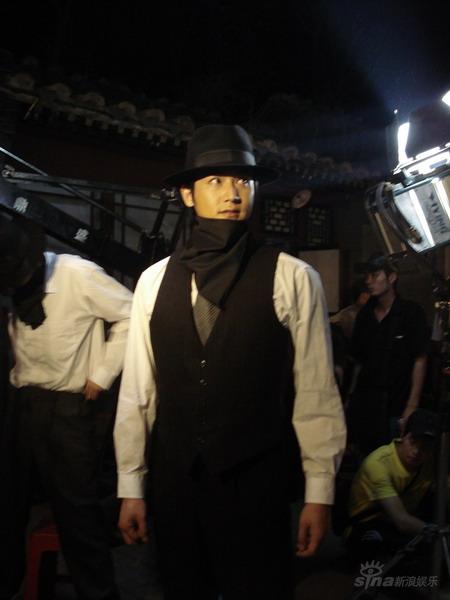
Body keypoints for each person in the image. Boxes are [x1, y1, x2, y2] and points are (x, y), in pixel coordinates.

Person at [114, 124, 346, 600]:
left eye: (243, 180)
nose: (233, 194)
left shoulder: (293, 277)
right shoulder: (153, 282)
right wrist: (130, 485)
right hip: (177, 484)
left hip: (257, 483)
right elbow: (139, 392)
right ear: (187, 194)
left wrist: (319, 492)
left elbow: (316, 393)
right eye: (216, 181)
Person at [0, 214, 132, 600]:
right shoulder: (12, 287)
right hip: (21, 402)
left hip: (67, 410)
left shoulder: (77, 275)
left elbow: (133, 314)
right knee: (6, 507)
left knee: (78, 517)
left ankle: (98, 594)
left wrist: (102, 374)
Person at [347, 252, 429, 456]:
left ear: (392, 277)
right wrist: (349, 399)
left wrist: (412, 404)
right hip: (367, 405)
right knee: (367, 463)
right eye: (367, 276)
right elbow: (357, 361)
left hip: (397, 405)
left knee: (394, 461)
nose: (369, 281)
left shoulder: (411, 313)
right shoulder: (365, 315)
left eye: (375, 275)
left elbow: (420, 358)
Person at [346, 409, 440, 560]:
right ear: (403, 436)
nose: (416, 451)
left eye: (425, 446)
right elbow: (400, 520)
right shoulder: (378, 464)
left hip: (404, 522)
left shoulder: (430, 462)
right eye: (413, 441)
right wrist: (438, 534)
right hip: (369, 524)